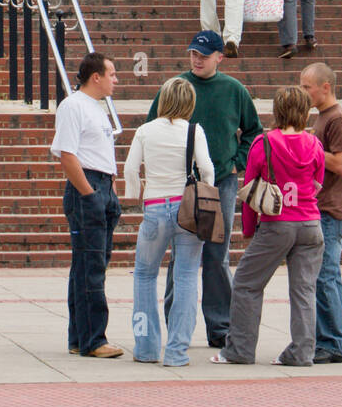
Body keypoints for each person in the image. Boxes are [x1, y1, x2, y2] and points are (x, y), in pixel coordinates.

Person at [146, 30, 262, 348]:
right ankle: (176, 321)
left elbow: (254, 131)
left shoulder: (234, 90)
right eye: (193, 54)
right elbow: (150, 125)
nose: (197, 59)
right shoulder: (176, 88)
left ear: (219, 58)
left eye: (204, 55)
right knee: (181, 252)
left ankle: (220, 326)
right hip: (180, 182)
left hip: (220, 181)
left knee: (216, 254)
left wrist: (238, 160)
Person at [211, 85, 325, 366]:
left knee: (247, 284)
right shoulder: (315, 144)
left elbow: (250, 193)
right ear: (305, 112)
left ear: (277, 111)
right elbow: (318, 184)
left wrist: (249, 231)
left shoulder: (264, 144)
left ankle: (240, 349)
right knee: (304, 290)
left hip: (277, 224)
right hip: (310, 223)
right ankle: (302, 353)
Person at [124, 76, 214, 366]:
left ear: (163, 100)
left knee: (144, 275)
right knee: (186, 276)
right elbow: (207, 168)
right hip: (187, 208)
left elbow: (129, 168)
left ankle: (147, 348)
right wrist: (206, 198)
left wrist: (134, 192)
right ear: (190, 103)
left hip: (154, 207)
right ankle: (177, 352)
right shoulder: (194, 131)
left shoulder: (145, 131)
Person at [50, 51, 123, 357]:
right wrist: (89, 195)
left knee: (87, 264)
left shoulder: (98, 109)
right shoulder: (73, 106)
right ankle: (94, 339)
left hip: (103, 186)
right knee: (91, 265)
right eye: (112, 74)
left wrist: (110, 190)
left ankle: (79, 336)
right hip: (88, 188)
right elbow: (67, 154)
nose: (115, 80)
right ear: (96, 77)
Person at [301, 61, 342, 364]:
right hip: (322, 206)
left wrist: (306, 145)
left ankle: (334, 342)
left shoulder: (338, 119)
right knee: (321, 276)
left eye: (307, 86)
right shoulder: (323, 117)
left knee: (326, 276)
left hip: (332, 208)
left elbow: (341, 163)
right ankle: (327, 337)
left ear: (326, 87)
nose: (303, 91)